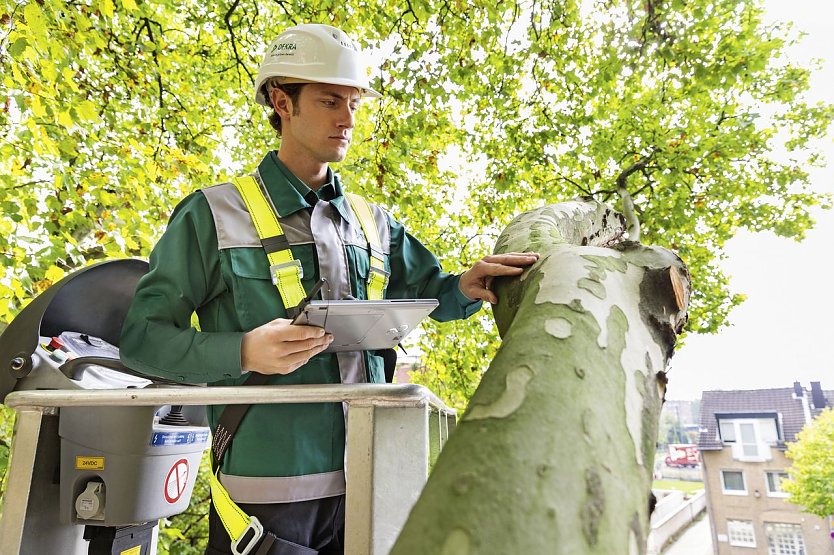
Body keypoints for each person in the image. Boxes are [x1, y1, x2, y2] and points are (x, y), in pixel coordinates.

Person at [119, 23, 538, 555]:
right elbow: (142, 339)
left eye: (354, 103)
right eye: (329, 101)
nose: (347, 118)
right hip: (269, 493)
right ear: (282, 102)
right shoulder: (213, 215)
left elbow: (437, 293)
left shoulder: (372, 223)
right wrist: (244, 351)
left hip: (373, 475)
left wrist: (466, 285)